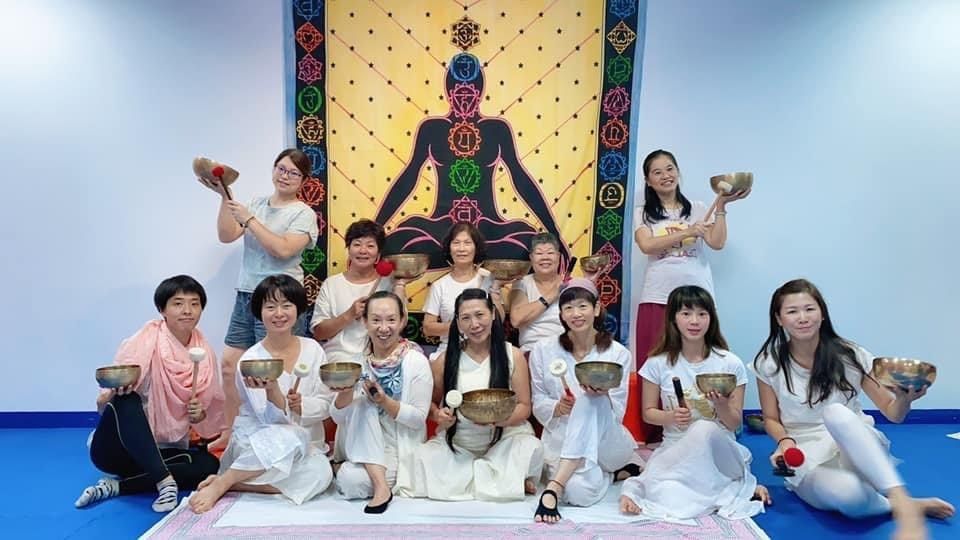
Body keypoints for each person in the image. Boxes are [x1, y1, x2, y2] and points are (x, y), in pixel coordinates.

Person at [752, 279, 953, 539]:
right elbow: (770, 418)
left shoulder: (850, 354)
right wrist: (785, 442)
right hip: (806, 455)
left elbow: (893, 413)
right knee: (849, 496)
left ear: (822, 314)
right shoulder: (768, 363)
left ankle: (901, 502)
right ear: (779, 319)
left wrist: (905, 399)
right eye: (792, 311)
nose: (802, 318)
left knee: (835, 413)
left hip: (858, 445)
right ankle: (901, 505)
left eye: (809, 309)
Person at [374, 51, 569, 270]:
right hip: (442, 229)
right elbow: (408, 179)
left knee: (528, 244)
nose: (464, 101)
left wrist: (554, 233)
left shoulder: (496, 129)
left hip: (489, 228)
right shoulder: (433, 128)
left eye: (470, 94)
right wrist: (375, 233)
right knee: (397, 241)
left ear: (480, 93)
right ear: (449, 93)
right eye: (459, 94)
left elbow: (521, 180)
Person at [198, 148, 319, 449]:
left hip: (281, 299)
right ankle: (231, 431)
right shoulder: (255, 203)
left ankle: (284, 434)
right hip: (247, 294)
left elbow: (282, 249)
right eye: (281, 168)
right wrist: (224, 197)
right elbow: (226, 235)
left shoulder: (303, 213)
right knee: (230, 365)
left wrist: (250, 219)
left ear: (304, 180)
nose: (285, 176)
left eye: (293, 173)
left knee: (276, 371)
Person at [75, 275, 224, 512]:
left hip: (163, 450)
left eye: (194, 303)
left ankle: (117, 487)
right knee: (126, 398)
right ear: (162, 309)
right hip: (118, 450)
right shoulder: (144, 341)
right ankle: (165, 482)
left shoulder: (203, 351)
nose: (187, 310)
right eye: (178, 303)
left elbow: (207, 418)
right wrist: (114, 392)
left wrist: (199, 415)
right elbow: (105, 404)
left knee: (208, 465)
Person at [620, 285, 769, 520]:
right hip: (676, 448)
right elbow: (648, 413)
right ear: (673, 318)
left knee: (703, 428)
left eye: (702, 313)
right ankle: (728, 489)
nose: (694, 321)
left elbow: (734, 424)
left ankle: (732, 483)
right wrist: (670, 417)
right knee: (669, 500)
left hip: (721, 450)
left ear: (711, 318)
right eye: (686, 313)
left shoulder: (730, 363)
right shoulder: (657, 363)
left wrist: (721, 405)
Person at [189, 275, 333, 513]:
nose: (279, 313)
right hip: (259, 443)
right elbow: (268, 421)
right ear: (259, 312)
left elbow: (326, 403)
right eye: (271, 307)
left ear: (298, 309)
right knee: (291, 434)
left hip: (305, 445)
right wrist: (273, 392)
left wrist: (302, 405)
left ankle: (236, 483)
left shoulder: (314, 349)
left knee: (321, 474)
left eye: (286, 305)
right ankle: (225, 481)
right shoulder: (252, 360)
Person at [632, 149, 746, 441]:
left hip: (697, 295)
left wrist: (721, 206)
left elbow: (717, 243)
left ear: (678, 172)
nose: (665, 175)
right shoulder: (642, 213)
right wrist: (687, 232)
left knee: (702, 358)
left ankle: (710, 424)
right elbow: (647, 246)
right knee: (656, 360)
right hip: (658, 296)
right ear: (648, 180)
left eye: (670, 168)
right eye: (657, 172)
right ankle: (656, 435)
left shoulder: (697, 208)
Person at [411, 288, 543, 501]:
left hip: (504, 439)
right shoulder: (445, 360)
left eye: (480, 315)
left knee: (532, 448)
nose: (474, 324)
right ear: (458, 323)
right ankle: (502, 479)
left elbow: (524, 406)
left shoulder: (513, 355)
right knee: (422, 458)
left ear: (493, 314)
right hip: (460, 442)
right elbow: (432, 404)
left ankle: (483, 476)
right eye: (466, 318)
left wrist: (499, 421)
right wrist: (438, 415)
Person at [528, 278, 639, 523]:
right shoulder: (543, 350)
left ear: (596, 309)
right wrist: (557, 407)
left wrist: (603, 395)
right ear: (561, 314)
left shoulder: (618, 353)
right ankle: (613, 475)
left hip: (607, 442)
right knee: (578, 493)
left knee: (591, 400)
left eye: (582, 306)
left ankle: (554, 486)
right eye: (568, 308)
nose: (576, 314)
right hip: (562, 437)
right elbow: (538, 400)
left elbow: (618, 412)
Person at [329, 291, 433, 514]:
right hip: (358, 443)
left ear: (402, 321)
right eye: (376, 320)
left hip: (396, 447)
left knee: (350, 480)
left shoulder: (416, 361)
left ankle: (344, 470)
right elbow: (338, 418)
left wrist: (385, 401)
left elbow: (418, 419)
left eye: (391, 320)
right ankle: (381, 487)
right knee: (363, 405)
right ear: (364, 322)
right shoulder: (357, 362)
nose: (383, 328)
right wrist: (345, 393)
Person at [310, 219, 407, 362]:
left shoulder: (389, 282)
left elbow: (401, 324)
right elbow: (319, 333)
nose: (363, 250)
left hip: (382, 356)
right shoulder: (332, 284)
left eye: (370, 245)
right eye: (357, 244)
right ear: (348, 250)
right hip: (340, 357)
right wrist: (348, 315)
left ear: (378, 254)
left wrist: (400, 284)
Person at [422, 222, 502, 361]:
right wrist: (461, 326)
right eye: (456, 243)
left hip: (485, 349)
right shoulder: (439, 286)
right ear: (449, 248)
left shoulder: (488, 278)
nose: (461, 248)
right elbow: (428, 328)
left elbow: (499, 319)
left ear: (476, 248)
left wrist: (495, 289)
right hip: (450, 349)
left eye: (467, 243)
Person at [508, 233, 567, 353]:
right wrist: (551, 295)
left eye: (550, 253)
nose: (545, 257)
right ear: (531, 257)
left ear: (558, 256)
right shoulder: (522, 283)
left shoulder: (568, 284)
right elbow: (516, 320)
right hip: (532, 350)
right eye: (539, 253)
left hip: (565, 348)